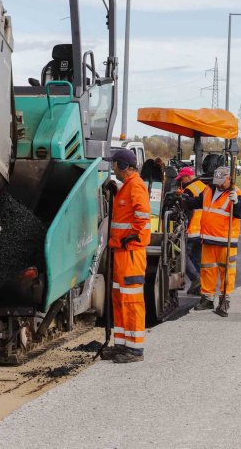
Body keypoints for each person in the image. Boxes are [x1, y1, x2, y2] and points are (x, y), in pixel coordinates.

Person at [102, 148, 151, 363]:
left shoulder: (136, 186)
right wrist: (116, 191)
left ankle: (135, 350)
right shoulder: (127, 187)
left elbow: (143, 219)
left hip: (130, 254)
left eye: (115, 164)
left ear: (123, 166)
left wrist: (132, 239)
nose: (113, 168)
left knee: (131, 302)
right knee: (120, 299)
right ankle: (121, 345)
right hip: (122, 253)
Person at [193, 166, 241, 317]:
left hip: (226, 240)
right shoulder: (209, 189)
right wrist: (184, 200)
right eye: (217, 181)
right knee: (207, 270)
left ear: (230, 179)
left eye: (222, 182)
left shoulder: (237, 193)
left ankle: (224, 300)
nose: (219, 185)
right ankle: (207, 299)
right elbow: (197, 203)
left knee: (227, 272)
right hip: (208, 238)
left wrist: (236, 202)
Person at [173, 166, 206, 295]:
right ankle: (202, 285)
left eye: (182, 179)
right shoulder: (203, 186)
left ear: (187, 177)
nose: (181, 181)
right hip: (203, 229)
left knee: (182, 255)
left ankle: (195, 278)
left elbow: (188, 211)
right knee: (197, 258)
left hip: (192, 229)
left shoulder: (189, 190)